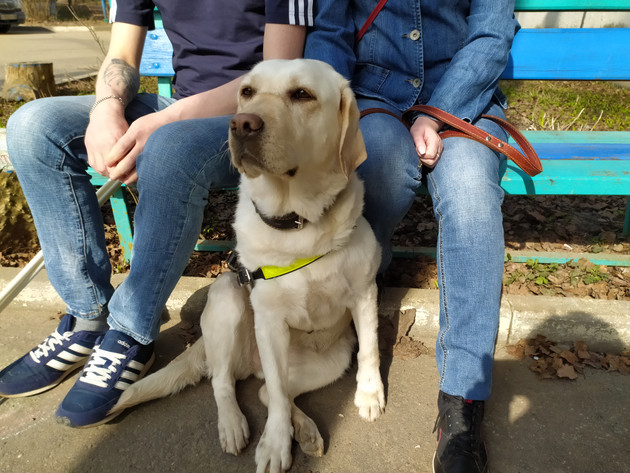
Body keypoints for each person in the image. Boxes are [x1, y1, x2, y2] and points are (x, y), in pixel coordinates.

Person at [0, 0, 310, 428]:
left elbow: (278, 73)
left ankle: (130, 331)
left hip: (255, 120)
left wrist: (168, 121)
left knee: (170, 148)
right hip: (177, 106)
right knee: (33, 127)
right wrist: (106, 108)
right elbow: (122, 56)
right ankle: (88, 318)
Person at [304, 1, 519, 472]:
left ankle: (463, 398)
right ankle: (363, 287)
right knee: (378, 165)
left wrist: (437, 113)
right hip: (373, 95)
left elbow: (491, 34)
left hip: (464, 98)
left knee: (470, 192)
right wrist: (323, 111)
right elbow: (330, 32)